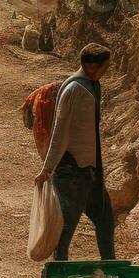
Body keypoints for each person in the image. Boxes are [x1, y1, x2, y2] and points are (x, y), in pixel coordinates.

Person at [36, 44, 116, 261]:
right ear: (91, 66)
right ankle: (58, 276)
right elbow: (60, 132)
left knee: (106, 221)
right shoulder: (75, 90)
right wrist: (47, 169)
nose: (107, 70)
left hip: (89, 173)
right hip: (73, 173)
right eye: (104, 66)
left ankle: (111, 269)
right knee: (64, 232)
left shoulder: (91, 85)